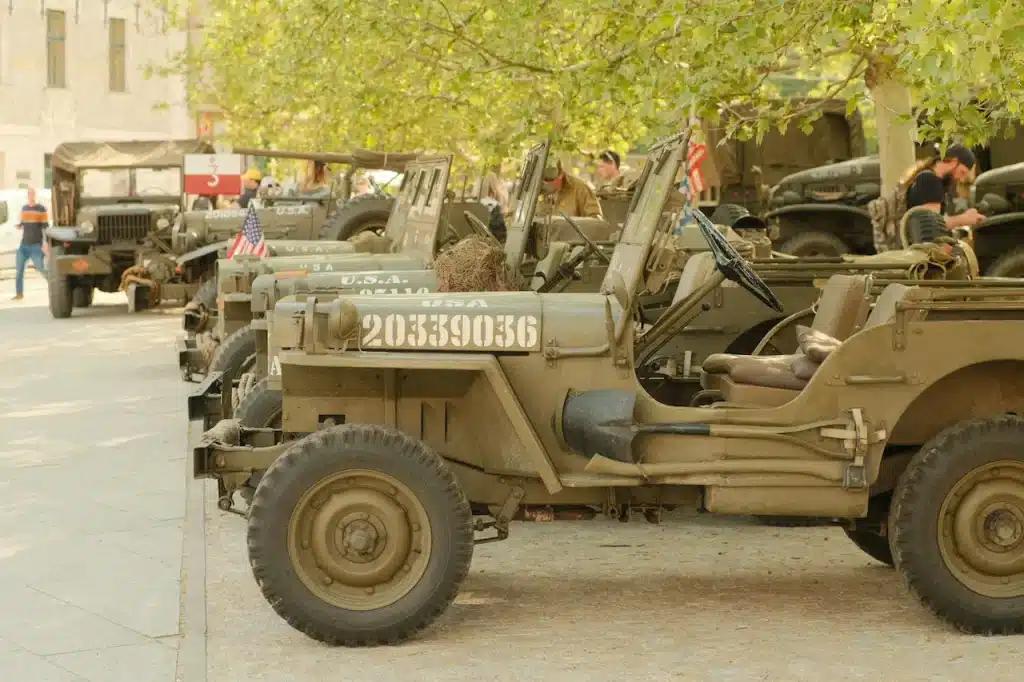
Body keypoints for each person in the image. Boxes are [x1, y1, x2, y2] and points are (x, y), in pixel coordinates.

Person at [905, 143, 984, 229]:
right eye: (962, 172)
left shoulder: (932, 179)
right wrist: (964, 219)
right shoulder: (930, 180)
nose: (961, 179)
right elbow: (932, 225)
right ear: (954, 162)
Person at [13, 188, 48, 300]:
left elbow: (45, 227)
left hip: (36, 246)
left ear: (35, 195)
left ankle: (54, 287)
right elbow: (23, 224)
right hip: (24, 245)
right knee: (19, 271)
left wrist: (46, 244)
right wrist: (19, 226)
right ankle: (19, 294)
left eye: (32, 194)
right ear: (27, 196)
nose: (31, 196)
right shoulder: (24, 209)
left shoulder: (41, 209)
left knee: (42, 269)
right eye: (29, 194)